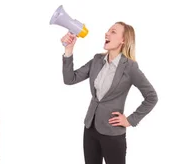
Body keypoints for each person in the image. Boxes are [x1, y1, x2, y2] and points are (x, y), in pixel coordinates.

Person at [61, 22, 158, 164]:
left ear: (123, 40)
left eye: (113, 32)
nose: (107, 33)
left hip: (113, 133)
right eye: (107, 31)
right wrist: (68, 50)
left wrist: (131, 120)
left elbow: (151, 96)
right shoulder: (97, 60)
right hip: (90, 128)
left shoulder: (130, 67)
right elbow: (70, 79)